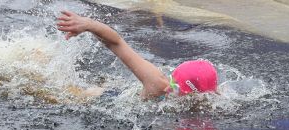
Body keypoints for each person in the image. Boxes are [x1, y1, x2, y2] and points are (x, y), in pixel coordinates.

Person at [57, 11, 218, 100]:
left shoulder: (210, 100)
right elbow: (117, 42)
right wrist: (88, 24)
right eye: (171, 79)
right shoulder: (157, 84)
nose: (169, 87)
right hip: (111, 98)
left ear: (197, 96)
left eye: (175, 89)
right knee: (66, 96)